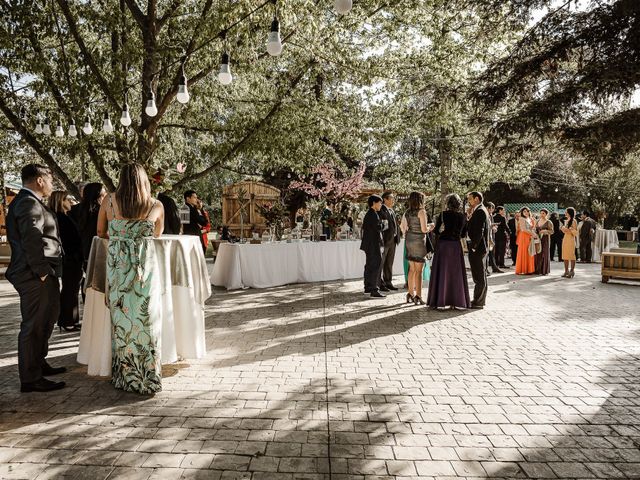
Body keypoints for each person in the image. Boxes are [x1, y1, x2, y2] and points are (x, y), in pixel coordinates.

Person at [97, 164, 165, 394]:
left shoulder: (108, 202)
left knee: (122, 321)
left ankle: (125, 377)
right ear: (145, 180)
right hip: (145, 270)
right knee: (147, 320)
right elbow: (157, 234)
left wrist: (120, 235)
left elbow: (99, 232)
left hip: (118, 268)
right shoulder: (156, 205)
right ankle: (148, 377)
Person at [5, 164, 66, 392]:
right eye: (50, 179)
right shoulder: (28, 203)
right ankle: (30, 379)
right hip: (33, 274)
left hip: (40, 273)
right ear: (40, 180)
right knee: (33, 326)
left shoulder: (30, 202)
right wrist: (41, 272)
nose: (52, 184)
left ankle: (39, 364)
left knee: (46, 321)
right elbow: (31, 238)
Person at [427, 194, 471, 309]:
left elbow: (436, 231)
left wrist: (442, 232)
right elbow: (463, 234)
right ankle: (455, 301)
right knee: (456, 274)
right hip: (456, 246)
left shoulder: (443, 215)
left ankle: (440, 300)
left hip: (443, 245)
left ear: (448, 203)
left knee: (442, 272)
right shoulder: (462, 216)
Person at [49, 191, 83, 331]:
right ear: (60, 201)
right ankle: (67, 320)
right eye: (68, 200)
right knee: (70, 289)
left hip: (71, 258)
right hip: (70, 259)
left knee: (72, 289)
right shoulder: (61, 218)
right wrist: (75, 255)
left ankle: (70, 320)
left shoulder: (63, 217)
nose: (71, 203)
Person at [400, 192, 430, 305]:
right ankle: (418, 295)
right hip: (418, 242)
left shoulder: (407, 212)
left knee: (411, 269)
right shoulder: (421, 212)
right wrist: (430, 227)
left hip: (409, 240)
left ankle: (410, 294)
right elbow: (423, 229)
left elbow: (403, 227)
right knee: (419, 271)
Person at [70, 182, 107, 271]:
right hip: (98, 253)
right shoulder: (102, 213)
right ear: (99, 196)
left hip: (76, 255)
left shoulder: (72, 210)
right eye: (104, 194)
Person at [466, 192, 490, 309]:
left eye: (470, 199)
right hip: (480, 247)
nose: (468, 201)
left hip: (478, 248)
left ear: (476, 199)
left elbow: (479, 231)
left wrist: (474, 246)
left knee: (479, 275)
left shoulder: (480, 211)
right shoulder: (479, 210)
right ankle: (479, 300)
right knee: (480, 275)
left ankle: (478, 301)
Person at [360, 195, 385, 298]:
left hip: (369, 244)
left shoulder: (370, 214)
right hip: (373, 244)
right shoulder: (373, 214)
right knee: (376, 265)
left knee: (370, 265)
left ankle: (368, 287)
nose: (381, 205)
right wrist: (384, 224)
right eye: (380, 202)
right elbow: (377, 228)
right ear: (374, 203)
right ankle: (374, 289)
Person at [379, 192, 401, 291]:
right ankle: (380, 283)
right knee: (381, 262)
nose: (393, 200)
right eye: (391, 198)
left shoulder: (392, 210)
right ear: (385, 199)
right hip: (385, 241)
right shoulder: (381, 210)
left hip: (393, 241)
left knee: (389, 263)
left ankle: (388, 282)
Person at [515, 207, 538, 275]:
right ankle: (524, 269)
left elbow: (531, 228)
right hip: (524, 237)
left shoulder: (530, 218)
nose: (526, 212)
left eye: (527, 211)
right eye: (524, 211)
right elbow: (523, 229)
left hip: (529, 236)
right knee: (525, 251)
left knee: (530, 251)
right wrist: (533, 234)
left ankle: (529, 269)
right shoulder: (521, 218)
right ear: (522, 212)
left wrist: (533, 230)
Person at [484, 202, 503, 274]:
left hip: (491, 235)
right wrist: (492, 226)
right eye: (491, 208)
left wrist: (494, 227)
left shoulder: (491, 215)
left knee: (492, 253)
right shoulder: (485, 215)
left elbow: (490, 225)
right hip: (487, 237)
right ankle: (486, 269)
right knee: (486, 254)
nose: (492, 210)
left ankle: (494, 267)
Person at [534, 208, 554, 275]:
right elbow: (535, 229)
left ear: (546, 214)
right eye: (541, 213)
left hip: (545, 239)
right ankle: (537, 270)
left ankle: (544, 270)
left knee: (544, 253)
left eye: (543, 213)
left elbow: (552, 231)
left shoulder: (549, 222)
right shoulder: (537, 221)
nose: (542, 214)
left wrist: (545, 231)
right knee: (538, 253)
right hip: (538, 239)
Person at [560, 207, 578, 278]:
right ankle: (566, 271)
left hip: (571, 240)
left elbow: (575, 232)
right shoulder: (567, 220)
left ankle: (572, 271)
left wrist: (569, 229)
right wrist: (563, 229)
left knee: (571, 255)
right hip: (565, 239)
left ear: (570, 213)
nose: (565, 213)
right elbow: (565, 230)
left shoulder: (574, 221)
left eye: (566, 212)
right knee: (565, 255)